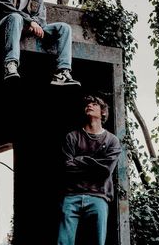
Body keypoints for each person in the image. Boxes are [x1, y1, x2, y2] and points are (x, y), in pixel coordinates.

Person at [0, 0, 81, 86]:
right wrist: (30, 22)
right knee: (15, 17)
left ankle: (62, 73)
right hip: (6, 25)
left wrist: (34, 24)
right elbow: (6, 8)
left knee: (64, 28)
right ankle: (10, 65)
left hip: (29, 28)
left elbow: (41, 18)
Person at [57, 95, 122, 245]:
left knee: (97, 242)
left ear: (103, 113)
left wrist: (80, 160)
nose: (89, 106)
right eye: (87, 104)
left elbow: (105, 171)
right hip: (71, 196)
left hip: (98, 196)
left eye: (94, 104)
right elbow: (67, 168)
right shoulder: (72, 137)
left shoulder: (112, 140)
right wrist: (95, 165)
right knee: (63, 242)